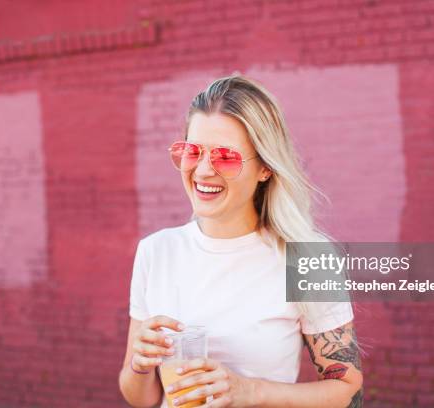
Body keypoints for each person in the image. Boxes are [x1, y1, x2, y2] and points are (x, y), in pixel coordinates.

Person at [118, 74, 363, 408]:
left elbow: (347, 392)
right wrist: (139, 364)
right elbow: (142, 399)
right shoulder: (155, 252)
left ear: (265, 167)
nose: (203, 171)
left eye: (225, 157)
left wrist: (250, 392)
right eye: (192, 151)